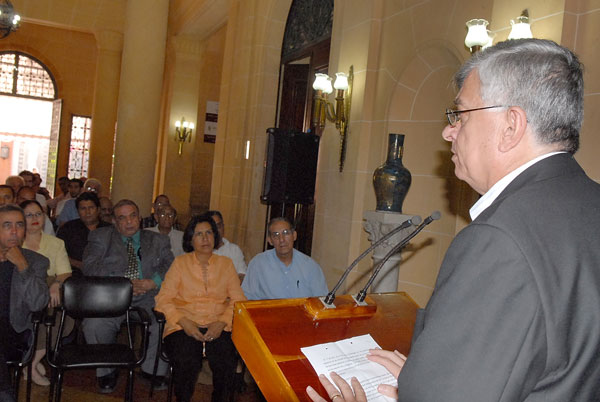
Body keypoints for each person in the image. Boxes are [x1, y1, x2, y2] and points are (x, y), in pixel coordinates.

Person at [307, 39, 600, 402]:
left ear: (511, 125)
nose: (449, 131)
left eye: (460, 115)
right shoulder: (590, 205)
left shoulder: (500, 239)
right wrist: (425, 378)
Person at [82, 199, 174, 394]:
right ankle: (106, 370)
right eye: (122, 218)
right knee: (94, 325)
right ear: (114, 221)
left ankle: (152, 370)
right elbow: (90, 266)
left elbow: (170, 266)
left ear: (140, 218)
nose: (129, 222)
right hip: (112, 295)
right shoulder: (100, 237)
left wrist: (153, 281)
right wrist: (123, 283)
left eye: (133, 216)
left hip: (149, 294)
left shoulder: (159, 240)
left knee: (163, 320)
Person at [155, 213, 246, 402]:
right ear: (190, 239)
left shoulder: (226, 264)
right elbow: (163, 299)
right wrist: (184, 322)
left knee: (226, 360)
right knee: (186, 358)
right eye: (199, 234)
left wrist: (221, 323)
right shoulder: (180, 264)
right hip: (183, 323)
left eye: (209, 233)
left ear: (215, 236)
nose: (205, 238)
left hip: (219, 323)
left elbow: (238, 300)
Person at [0, 204, 49, 402]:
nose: (14, 231)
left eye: (19, 225)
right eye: (6, 225)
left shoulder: (36, 261)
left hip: (15, 331)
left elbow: (38, 303)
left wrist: (22, 266)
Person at [20, 200, 71, 387]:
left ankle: (31, 363)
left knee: (63, 318)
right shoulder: (14, 240)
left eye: (38, 214)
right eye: (29, 215)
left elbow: (65, 272)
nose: (35, 219)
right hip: (21, 290)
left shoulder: (56, 243)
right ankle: (29, 360)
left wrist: (56, 284)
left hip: (49, 286)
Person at [242, 217, 328, 300]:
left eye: (286, 233)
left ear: (294, 235)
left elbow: (321, 302)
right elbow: (246, 297)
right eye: (276, 235)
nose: (282, 239)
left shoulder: (310, 266)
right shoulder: (258, 264)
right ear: (270, 240)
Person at [56, 192, 111, 273]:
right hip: (73, 275)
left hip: (105, 275)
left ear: (98, 210)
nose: (87, 212)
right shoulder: (67, 229)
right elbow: (58, 254)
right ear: (78, 211)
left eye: (91, 208)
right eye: (83, 208)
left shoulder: (110, 229)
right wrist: (80, 265)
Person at [207, 210, 247, 281]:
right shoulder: (200, 250)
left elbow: (242, 274)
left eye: (218, 226)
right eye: (212, 227)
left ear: (223, 227)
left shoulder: (234, 250)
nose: (216, 230)